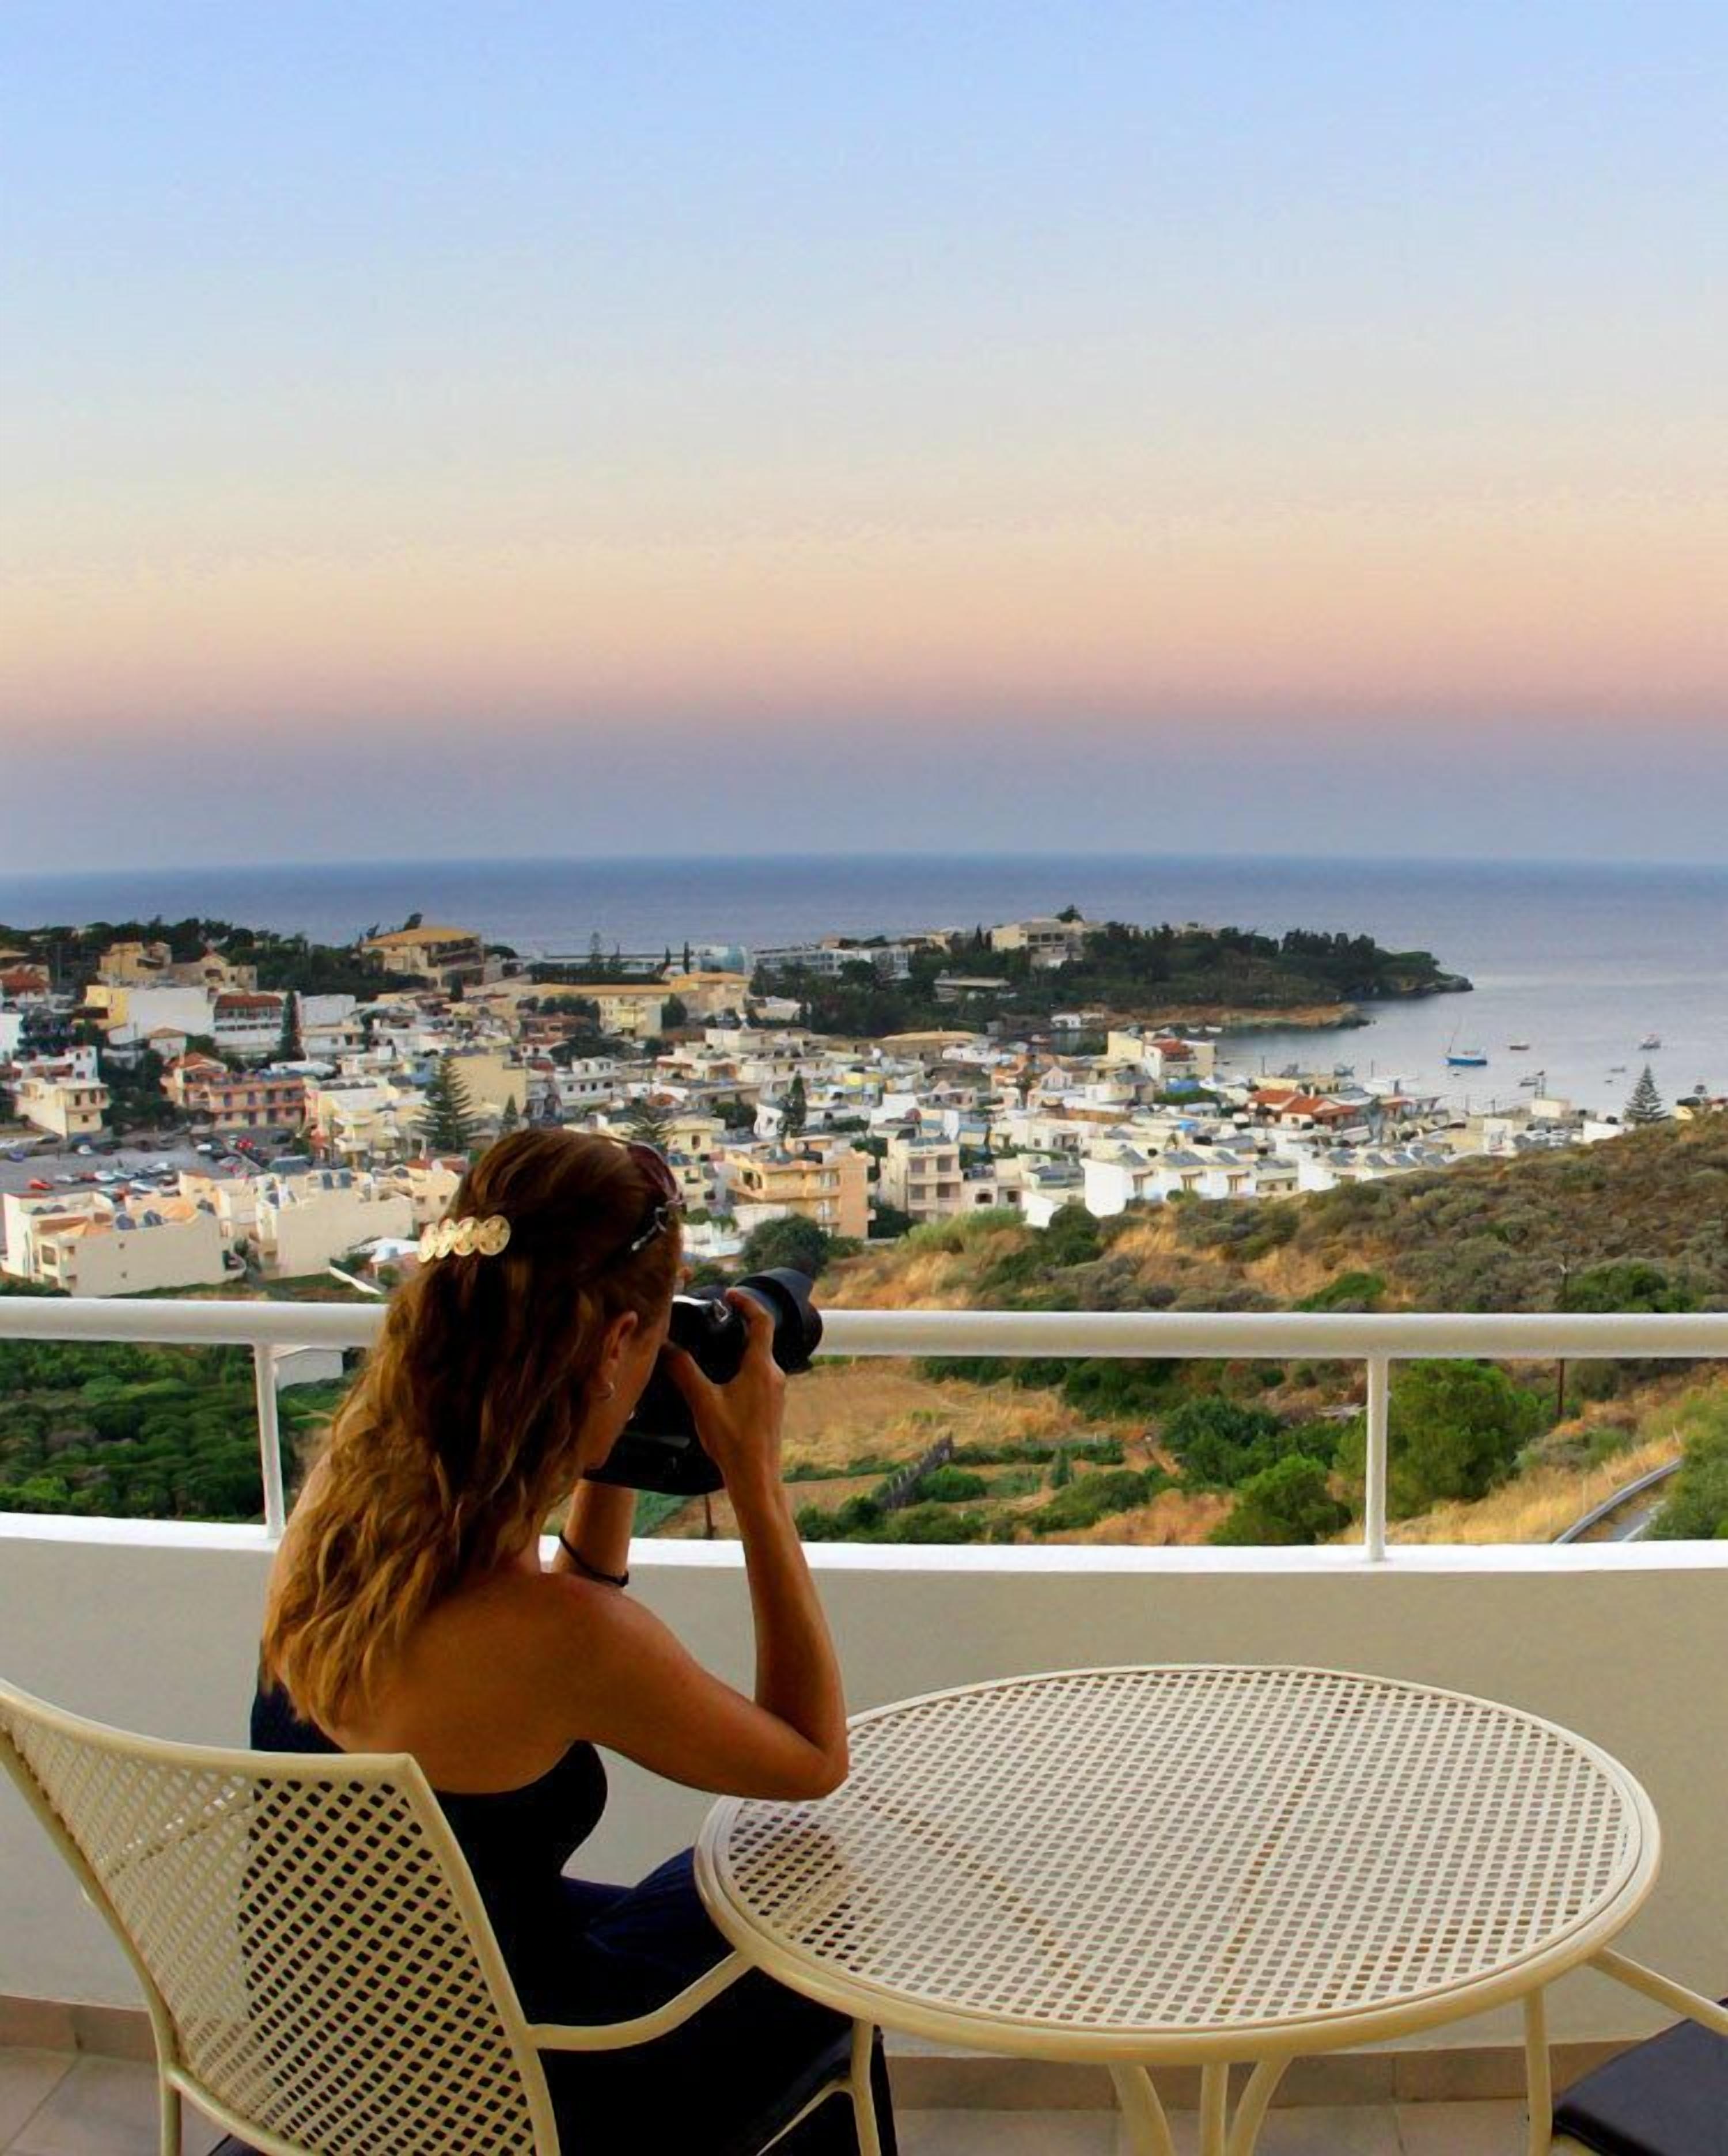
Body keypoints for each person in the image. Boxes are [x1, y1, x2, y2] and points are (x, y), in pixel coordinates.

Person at [254, 1128, 896, 2154]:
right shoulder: (566, 1643)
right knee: (803, 1894)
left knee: (710, 1901)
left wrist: (607, 1444)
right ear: (612, 1351)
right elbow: (812, 1761)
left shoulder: (346, 1512)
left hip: (348, 2055)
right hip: (514, 2091)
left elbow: (565, 1594)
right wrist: (758, 1485)